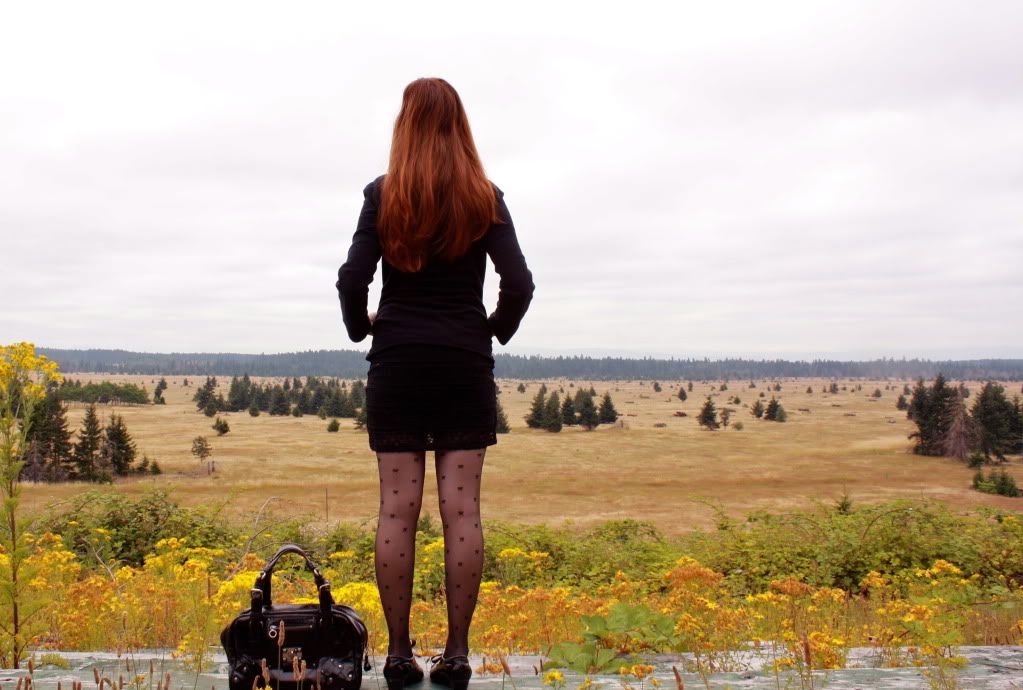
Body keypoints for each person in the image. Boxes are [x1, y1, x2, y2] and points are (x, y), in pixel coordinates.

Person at [335, 77, 535, 690]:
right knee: (463, 513)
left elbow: (352, 278)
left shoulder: (383, 194)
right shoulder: (485, 196)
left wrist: (360, 329)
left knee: (396, 511)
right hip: (462, 366)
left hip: (397, 360)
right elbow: (520, 282)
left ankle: (398, 655)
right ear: (460, 125)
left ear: (405, 124)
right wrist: (489, 331)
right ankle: (455, 656)